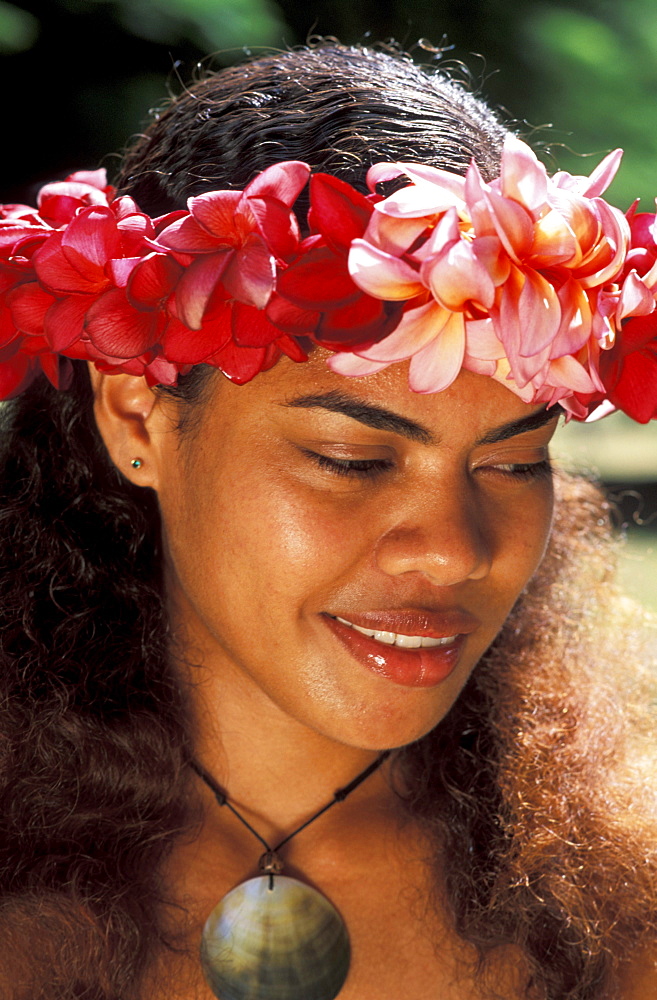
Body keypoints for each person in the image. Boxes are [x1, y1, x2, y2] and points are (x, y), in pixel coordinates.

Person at [1, 42, 656, 1000]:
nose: (451, 549)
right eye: (351, 461)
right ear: (138, 415)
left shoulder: (622, 904)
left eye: (512, 462)